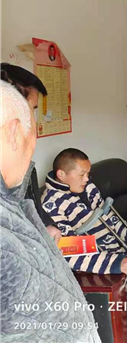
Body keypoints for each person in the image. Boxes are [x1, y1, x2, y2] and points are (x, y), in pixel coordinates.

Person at [42, 148, 127, 343]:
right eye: (82, 174)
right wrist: (117, 263)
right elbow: (70, 252)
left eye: (88, 173)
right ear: (61, 174)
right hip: (103, 260)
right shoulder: (51, 204)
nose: (86, 179)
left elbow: (113, 220)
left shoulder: (89, 188)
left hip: (121, 246)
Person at [0, 81, 100, 342]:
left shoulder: (14, 198)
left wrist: (43, 228)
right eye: (32, 113)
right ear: (14, 132)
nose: (35, 134)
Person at [1, 62, 62, 243]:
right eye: (31, 109)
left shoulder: (24, 168)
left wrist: (47, 225)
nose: (34, 123)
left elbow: (32, 208)